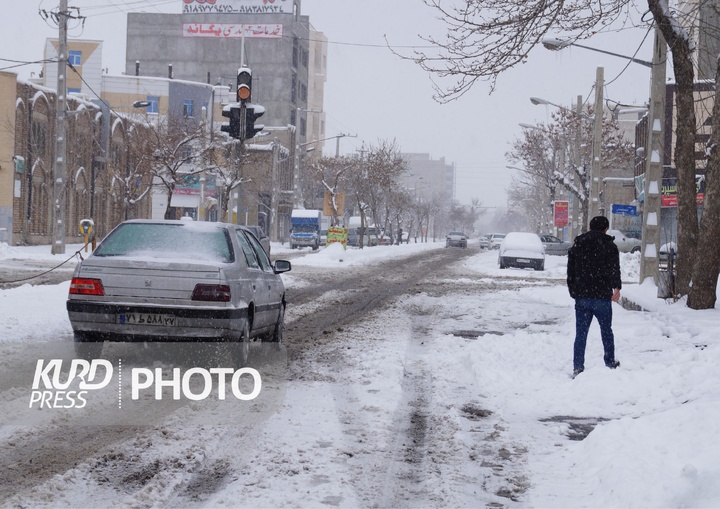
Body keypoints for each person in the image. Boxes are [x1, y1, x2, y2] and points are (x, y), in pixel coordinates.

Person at [566, 216, 622, 379]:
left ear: (590, 227)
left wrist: (573, 290)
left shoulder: (578, 244)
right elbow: (614, 269)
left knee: (581, 333)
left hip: (582, 296)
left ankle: (578, 367)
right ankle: (610, 362)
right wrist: (616, 287)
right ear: (605, 229)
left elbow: (571, 270)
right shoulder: (610, 246)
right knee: (606, 331)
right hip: (602, 296)